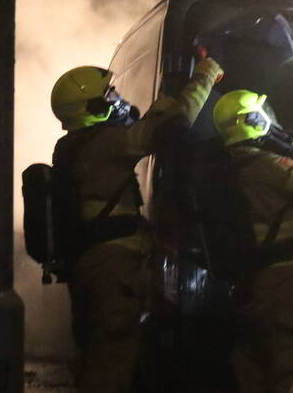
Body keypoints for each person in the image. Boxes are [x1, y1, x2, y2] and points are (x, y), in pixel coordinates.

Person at [50, 59, 223, 393]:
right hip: (113, 270)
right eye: (110, 94)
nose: (118, 99)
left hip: (98, 267)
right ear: (94, 106)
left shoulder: (77, 147)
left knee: (102, 355)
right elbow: (169, 128)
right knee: (111, 361)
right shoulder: (102, 143)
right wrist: (204, 76)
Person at [212, 89, 293, 393]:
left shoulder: (225, 170)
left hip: (249, 284)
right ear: (252, 120)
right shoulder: (263, 164)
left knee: (253, 369)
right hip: (284, 281)